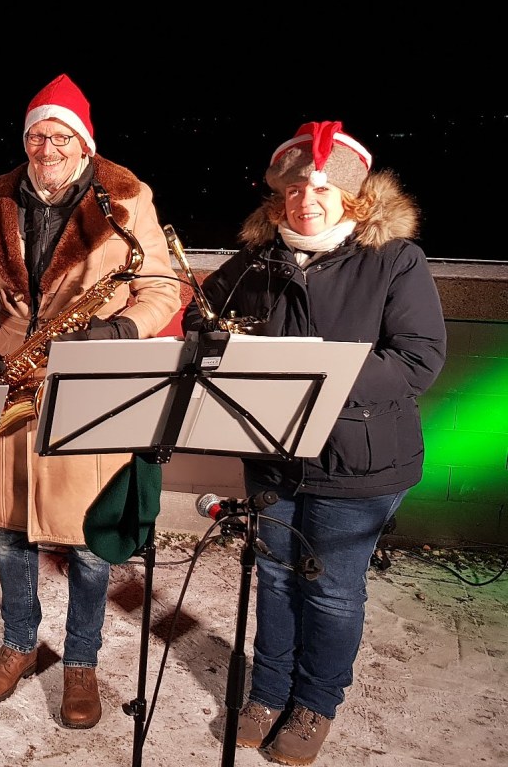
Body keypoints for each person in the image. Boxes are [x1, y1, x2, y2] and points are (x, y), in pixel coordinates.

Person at [181, 121, 446, 764]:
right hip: (274, 452)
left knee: (329, 588)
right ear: (280, 197)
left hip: (357, 460)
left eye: (323, 188)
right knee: (273, 576)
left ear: (352, 198)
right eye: (297, 187)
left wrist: (321, 373)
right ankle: (269, 692)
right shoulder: (256, 261)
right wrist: (216, 344)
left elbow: (419, 359)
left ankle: (315, 703)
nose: (308, 199)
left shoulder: (393, 259)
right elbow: (199, 319)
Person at [0, 74, 180, 729]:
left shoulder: (124, 199)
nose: (46, 146)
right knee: (8, 531)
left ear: (83, 143)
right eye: (36, 134)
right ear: (25, 141)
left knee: (87, 539)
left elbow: (161, 288)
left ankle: (79, 661)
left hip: (89, 383)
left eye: (60, 135)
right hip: (7, 384)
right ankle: (19, 644)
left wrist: (119, 330)